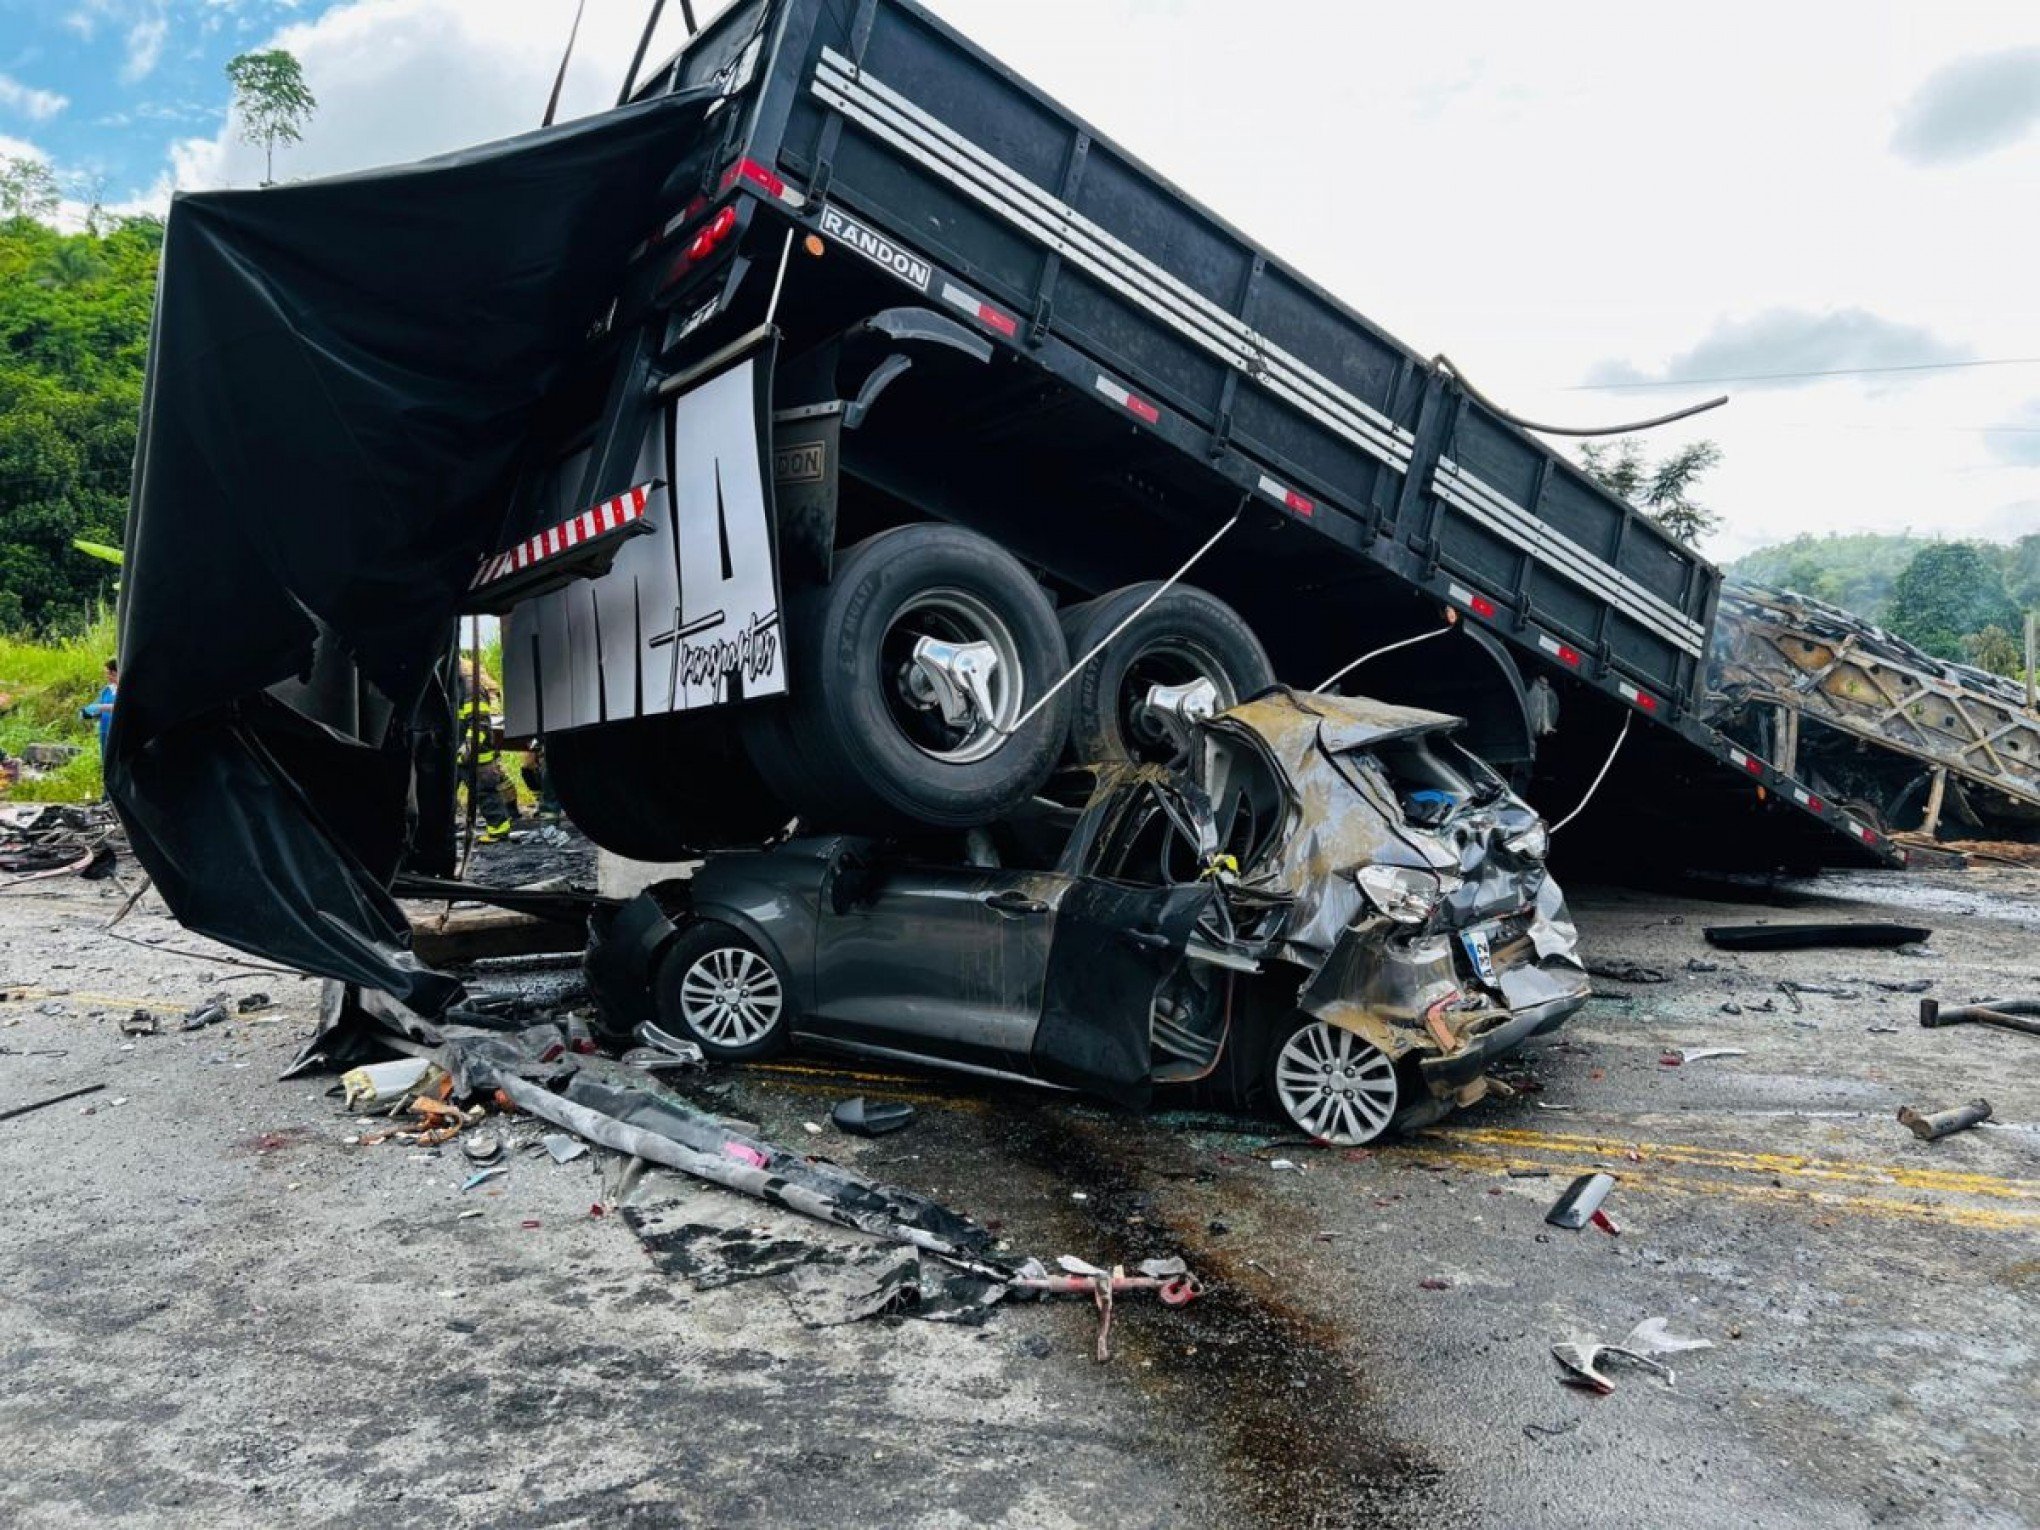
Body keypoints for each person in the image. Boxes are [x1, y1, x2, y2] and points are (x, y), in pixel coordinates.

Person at [457, 659, 516, 844]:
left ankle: (499, 831)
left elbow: (478, 724)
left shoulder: (470, 688)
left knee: (486, 794)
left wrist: (468, 750)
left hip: (476, 755)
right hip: (461, 754)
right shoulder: (459, 685)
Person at [80, 659, 118, 762]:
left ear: (114, 673)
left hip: (118, 731)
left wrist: (101, 707)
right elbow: (98, 705)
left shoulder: (125, 689)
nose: (106, 676)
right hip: (105, 730)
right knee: (106, 760)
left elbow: (122, 707)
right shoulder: (107, 690)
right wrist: (89, 712)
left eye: (107, 673)